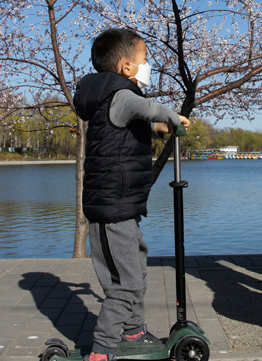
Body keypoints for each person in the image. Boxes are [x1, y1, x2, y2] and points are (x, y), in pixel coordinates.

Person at [73, 28, 190, 361]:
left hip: (110, 206)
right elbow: (151, 109)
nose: (148, 64)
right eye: (145, 59)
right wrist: (173, 116)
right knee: (127, 284)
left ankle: (134, 331)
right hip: (115, 209)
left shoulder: (108, 99)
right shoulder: (122, 95)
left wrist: (166, 127)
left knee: (132, 270)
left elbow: (142, 124)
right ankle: (103, 349)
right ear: (126, 67)